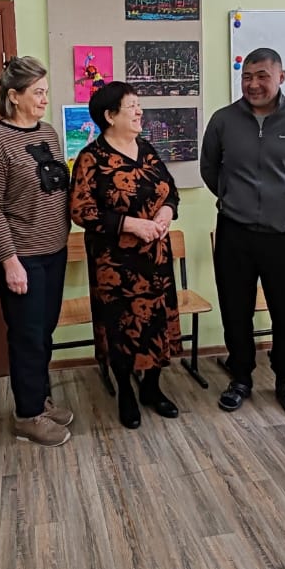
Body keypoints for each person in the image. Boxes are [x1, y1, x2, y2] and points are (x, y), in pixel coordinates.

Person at [199, 47, 285, 416]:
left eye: (262, 76)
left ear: (281, 77)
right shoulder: (223, 120)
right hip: (235, 232)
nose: (253, 84)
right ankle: (240, 377)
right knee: (235, 310)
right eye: (247, 77)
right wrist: (232, 198)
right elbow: (210, 168)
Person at [70, 82, 183, 428]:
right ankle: (126, 393)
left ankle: (151, 387)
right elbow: (81, 211)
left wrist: (166, 212)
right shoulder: (91, 157)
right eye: (131, 106)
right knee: (121, 326)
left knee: (156, 322)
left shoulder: (146, 149)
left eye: (138, 105)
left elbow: (170, 191)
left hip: (156, 258)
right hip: (115, 264)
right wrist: (131, 225)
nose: (139, 111)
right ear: (110, 115)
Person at [0, 56, 74, 448]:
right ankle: (27, 416)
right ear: (14, 96)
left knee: (43, 332)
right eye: (37, 92)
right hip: (21, 256)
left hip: (54, 251)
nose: (44, 99)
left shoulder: (48, 133)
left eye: (46, 91)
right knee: (28, 336)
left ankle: (39, 400)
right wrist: (10, 261)